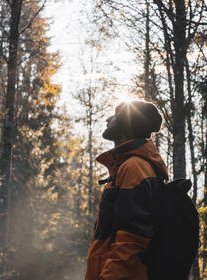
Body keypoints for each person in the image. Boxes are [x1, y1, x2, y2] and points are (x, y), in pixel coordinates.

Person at [85, 100, 168, 280]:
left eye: (115, 116)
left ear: (127, 125)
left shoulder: (134, 168)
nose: (108, 119)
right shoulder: (128, 167)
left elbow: (132, 239)